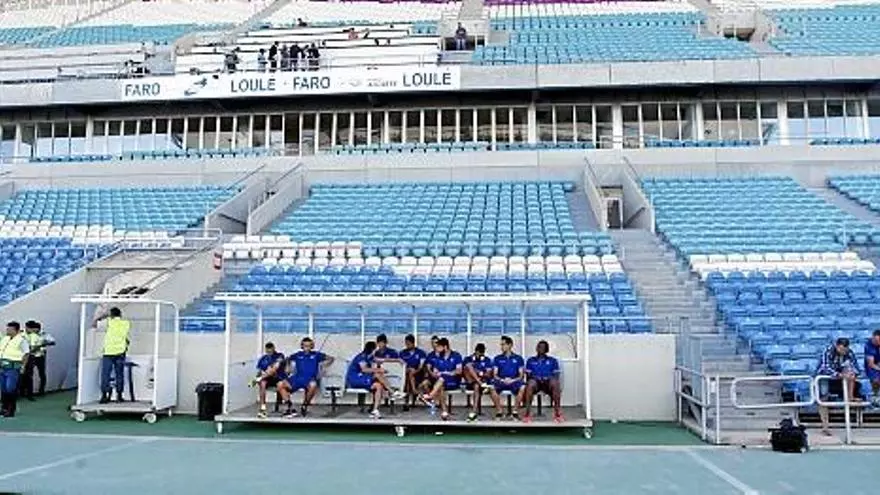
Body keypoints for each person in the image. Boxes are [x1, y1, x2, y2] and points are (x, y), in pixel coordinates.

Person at [346, 341, 404, 419]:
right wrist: (379, 370)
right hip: (355, 379)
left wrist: (397, 360)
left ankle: (375, 411)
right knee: (377, 374)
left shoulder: (370, 357)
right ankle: (392, 392)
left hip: (363, 379)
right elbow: (364, 369)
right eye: (375, 348)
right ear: (372, 349)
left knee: (378, 386)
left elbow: (383, 360)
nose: (376, 350)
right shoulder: (361, 357)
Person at [277, 337, 333, 418]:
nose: (307, 347)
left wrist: (324, 366)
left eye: (309, 346)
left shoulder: (316, 355)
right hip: (297, 378)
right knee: (280, 384)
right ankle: (290, 407)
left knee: (313, 385)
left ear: (312, 346)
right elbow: (287, 359)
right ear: (302, 346)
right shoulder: (298, 354)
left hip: (309, 379)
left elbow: (331, 358)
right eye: (305, 346)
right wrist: (288, 367)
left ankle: (305, 405)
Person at [816, 338, 862, 435]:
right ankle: (825, 427)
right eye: (841, 349)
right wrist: (839, 375)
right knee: (823, 396)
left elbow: (857, 368)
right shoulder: (828, 352)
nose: (843, 352)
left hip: (841, 378)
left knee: (852, 375)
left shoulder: (849, 353)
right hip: (824, 377)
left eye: (845, 350)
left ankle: (850, 397)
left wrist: (851, 372)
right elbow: (825, 368)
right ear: (836, 346)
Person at [93, 307, 131, 404]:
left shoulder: (108, 322)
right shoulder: (126, 323)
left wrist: (103, 316)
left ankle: (104, 395)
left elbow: (95, 324)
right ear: (120, 314)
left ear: (111, 315)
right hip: (120, 351)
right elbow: (125, 336)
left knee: (105, 374)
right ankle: (119, 395)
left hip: (108, 352)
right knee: (119, 374)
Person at [419, 337, 462, 420]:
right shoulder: (439, 357)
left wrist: (446, 373)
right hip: (441, 382)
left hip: (453, 381)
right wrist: (436, 373)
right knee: (441, 385)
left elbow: (459, 371)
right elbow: (435, 370)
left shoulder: (456, 355)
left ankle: (430, 396)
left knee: (442, 378)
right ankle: (445, 412)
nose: (437, 349)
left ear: (445, 347)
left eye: (439, 347)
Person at [523, 340, 563, 423]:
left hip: (548, 383)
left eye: (543, 347)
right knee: (530, 383)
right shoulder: (530, 360)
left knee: (555, 383)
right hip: (536, 383)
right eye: (539, 347)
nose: (540, 349)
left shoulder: (553, 360)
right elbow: (528, 375)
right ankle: (527, 414)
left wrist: (547, 378)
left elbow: (556, 375)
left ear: (546, 349)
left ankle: (557, 414)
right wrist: (537, 378)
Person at [488, 335, 526, 420]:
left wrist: (512, 380)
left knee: (523, 387)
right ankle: (499, 412)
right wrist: (502, 379)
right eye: (501, 345)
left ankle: (515, 412)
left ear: (510, 345)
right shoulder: (497, 358)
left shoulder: (518, 358)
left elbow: (521, 375)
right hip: (501, 381)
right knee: (491, 387)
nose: (501, 347)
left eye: (503, 344)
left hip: (514, 381)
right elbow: (495, 374)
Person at [20, 320, 55, 400]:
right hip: (30, 356)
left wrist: (41, 345)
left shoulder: (43, 334)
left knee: (41, 374)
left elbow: (52, 342)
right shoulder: (23, 334)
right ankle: (26, 393)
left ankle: (41, 391)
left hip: (40, 356)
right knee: (27, 375)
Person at [0, 321, 29, 417]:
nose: (7, 330)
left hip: (13, 367)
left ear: (16, 330)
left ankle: (11, 409)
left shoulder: (21, 340)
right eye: (7, 328)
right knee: (3, 388)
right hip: (2, 366)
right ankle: (4, 408)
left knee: (10, 388)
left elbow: (26, 354)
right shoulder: (5, 339)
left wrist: (23, 366)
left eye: (9, 329)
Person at [251, 342, 285, 418]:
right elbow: (259, 372)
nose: (269, 352)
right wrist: (258, 377)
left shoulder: (280, 356)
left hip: (279, 378)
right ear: (266, 350)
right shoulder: (263, 359)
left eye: (271, 350)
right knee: (262, 383)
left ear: (274, 349)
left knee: (270, 371)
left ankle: (279, 404)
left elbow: (274, 369)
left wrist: (258, 379)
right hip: (267, 379)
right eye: (268, 351)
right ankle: (263, 408)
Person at [462, 343, 493, 422]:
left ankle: (474, 412)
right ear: (476, 351)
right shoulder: (468, 359)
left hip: (481, 382)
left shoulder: (487, 360)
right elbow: (465, 371)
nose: (480, 355)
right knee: (469, 366)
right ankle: (480, 383)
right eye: (478, 352)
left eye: (482, 353)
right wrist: (479, 373)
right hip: (470, 381)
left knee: (476, 386)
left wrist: (479, 373)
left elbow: (488, 374)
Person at [398, 334, 426, 411]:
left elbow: (421, 366)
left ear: (413, 343)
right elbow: (400, 365)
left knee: (410, 374)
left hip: (418, 374)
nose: (407, 345)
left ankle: (408, 400)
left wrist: (415, 371)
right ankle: (413, 393)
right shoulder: (402, 353)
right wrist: (407, 370)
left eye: (408, 344)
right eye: (406, 343)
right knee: (408, 376)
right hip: (406, 374)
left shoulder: (421, 353)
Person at [865, 330, 880, 407]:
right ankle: (875, 395)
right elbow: (871, 364)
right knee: (875, 379)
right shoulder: (869, 346)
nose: (878, 343)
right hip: (873, 365)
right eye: (876, 341)